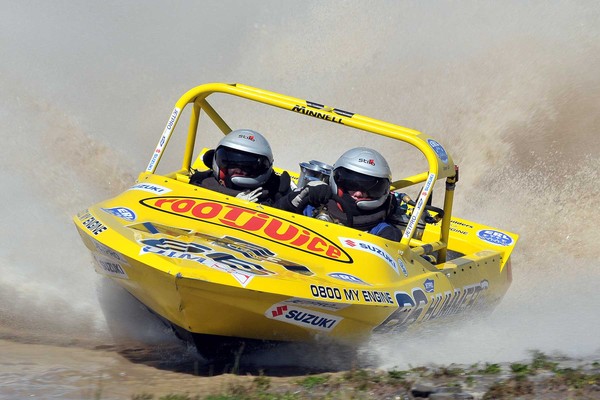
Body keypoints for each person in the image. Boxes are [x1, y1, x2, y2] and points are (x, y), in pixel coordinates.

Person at [279, 147, 402, 241]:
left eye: (370, 189)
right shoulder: (313, 206)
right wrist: (293, 200)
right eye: (351, 185)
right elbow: (271, 220)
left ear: (384, 191)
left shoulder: (383, 232)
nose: (358, 193)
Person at [190, 129, 291, 205]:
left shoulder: (275, 194)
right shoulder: (201, 182)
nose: (238, 169)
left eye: (248, 166)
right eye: (231, 163)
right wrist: (234, 197)